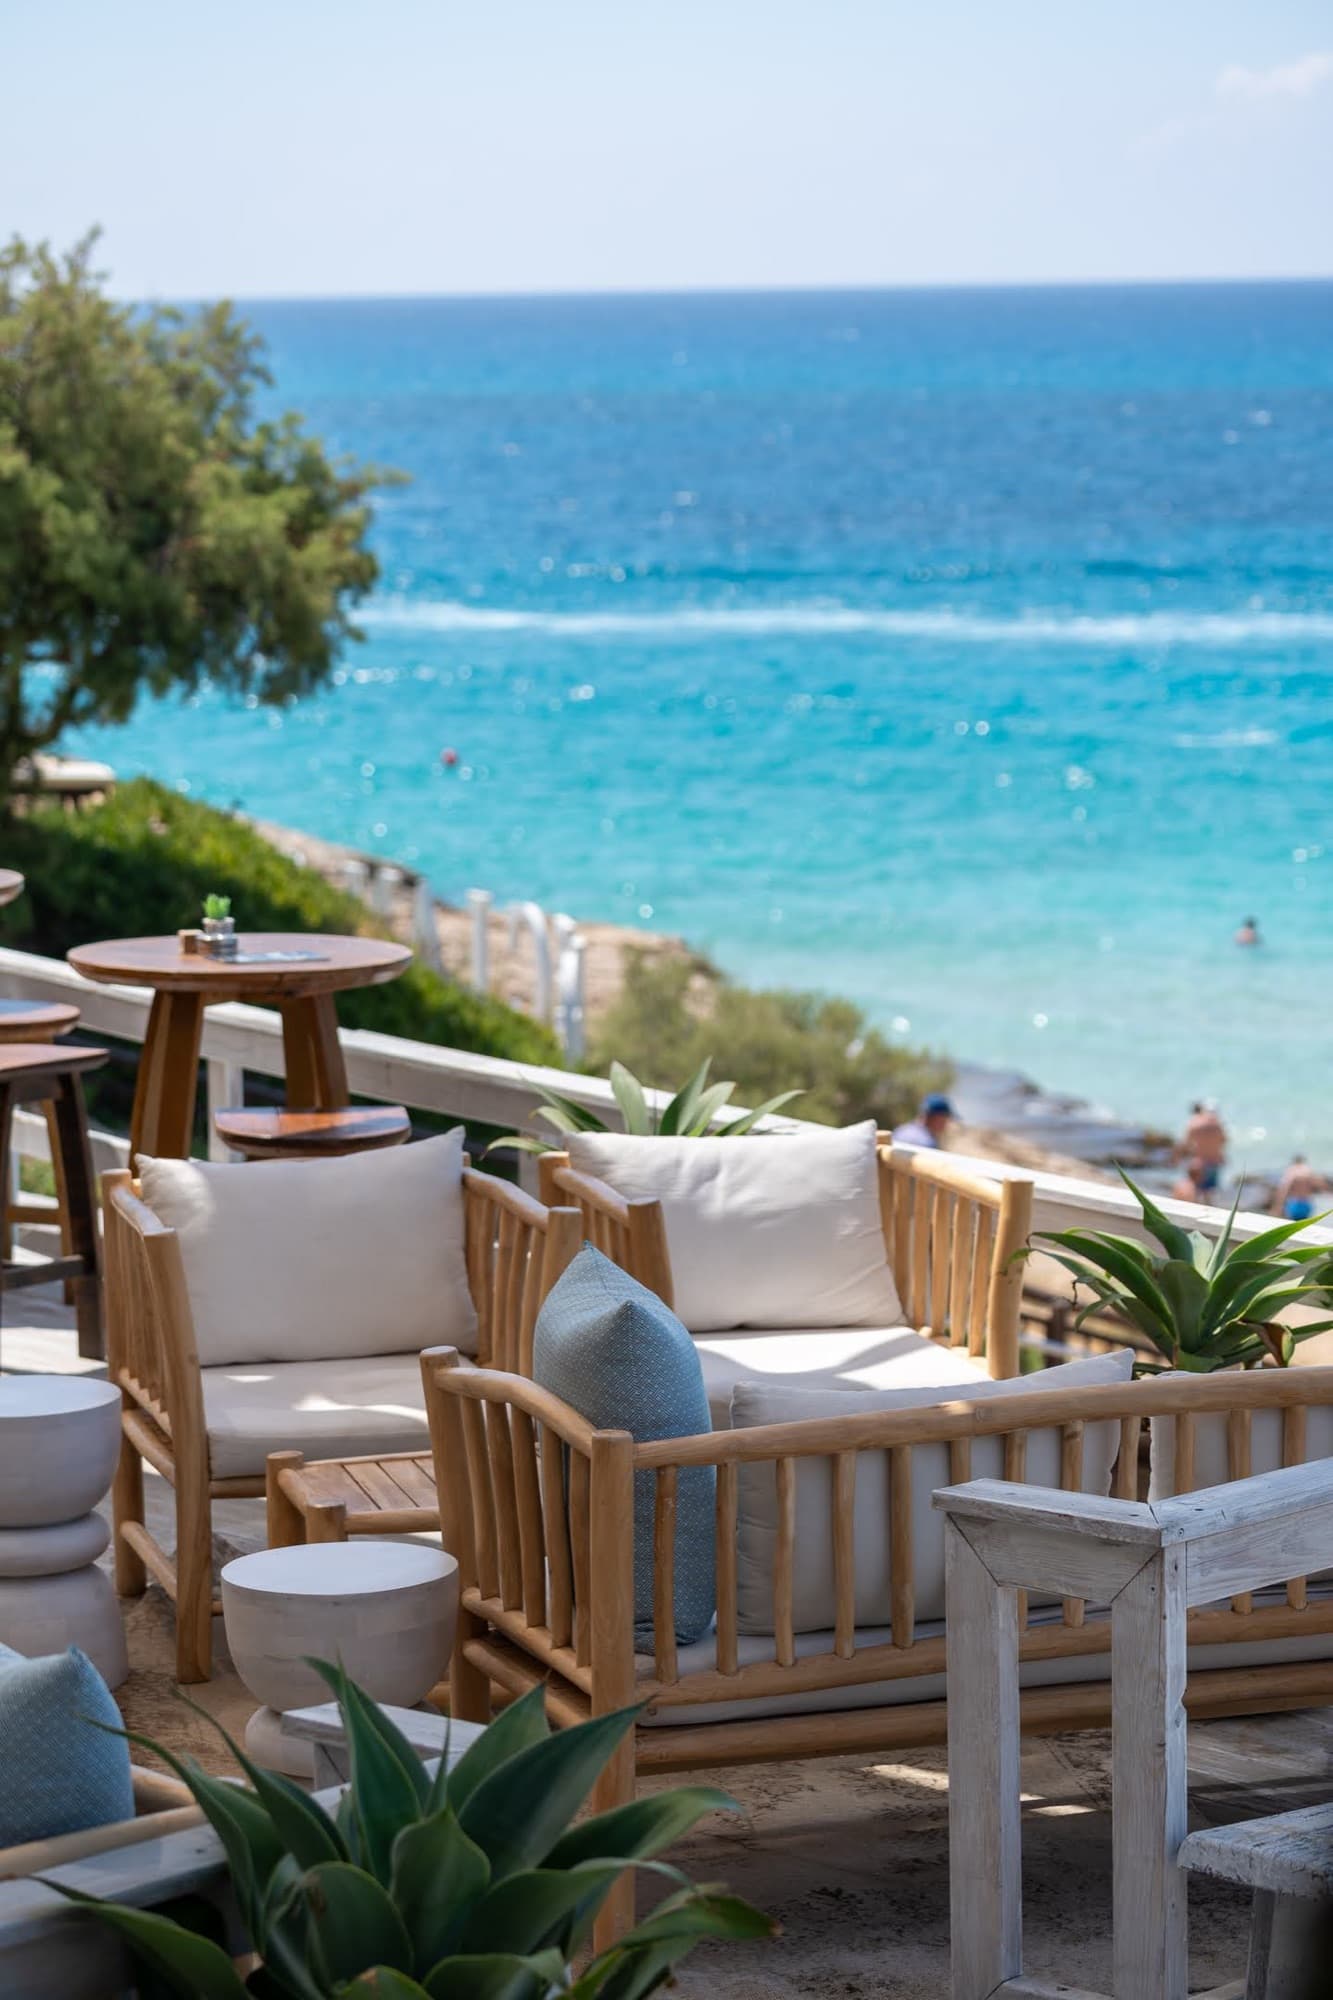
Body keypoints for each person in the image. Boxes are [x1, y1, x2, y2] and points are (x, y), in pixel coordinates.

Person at [1177, 1101, 1227, 1195]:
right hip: (1215, 1162)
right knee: (1211, 1194)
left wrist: (1178, 1158)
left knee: (1196, 1193)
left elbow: (1185, 1144)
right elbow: (1224, 1141)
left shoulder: (1195, 1124)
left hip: (1200, 1163)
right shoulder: (1218, 1125)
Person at [1272, 1155, 1328, 1222]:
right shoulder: (1308, 1171)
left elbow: (1284, 1189)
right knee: (1304, 1225)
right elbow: (1321, 1185)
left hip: (1295, 1202)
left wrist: (1278, 1206)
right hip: (1307, 1202)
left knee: (1292, 1226)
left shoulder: (1292, 1171)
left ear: (1294, 1162)